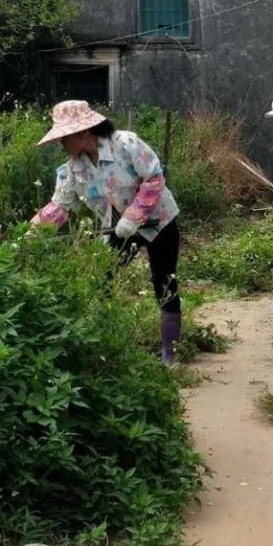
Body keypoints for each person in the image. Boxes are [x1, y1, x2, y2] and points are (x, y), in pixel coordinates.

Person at [30, 100, 182, 366]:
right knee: (103, 281)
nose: (61, 144)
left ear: (84, 133)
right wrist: (32, 232)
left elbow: (155, 178)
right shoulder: (74, 169)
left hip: (159, 220)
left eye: (64, 137)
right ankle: (107, 347)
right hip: (116, 225)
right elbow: (61, 204)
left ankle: (170, 352)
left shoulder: (126, 144)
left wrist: (134, 216)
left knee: (164, 283)